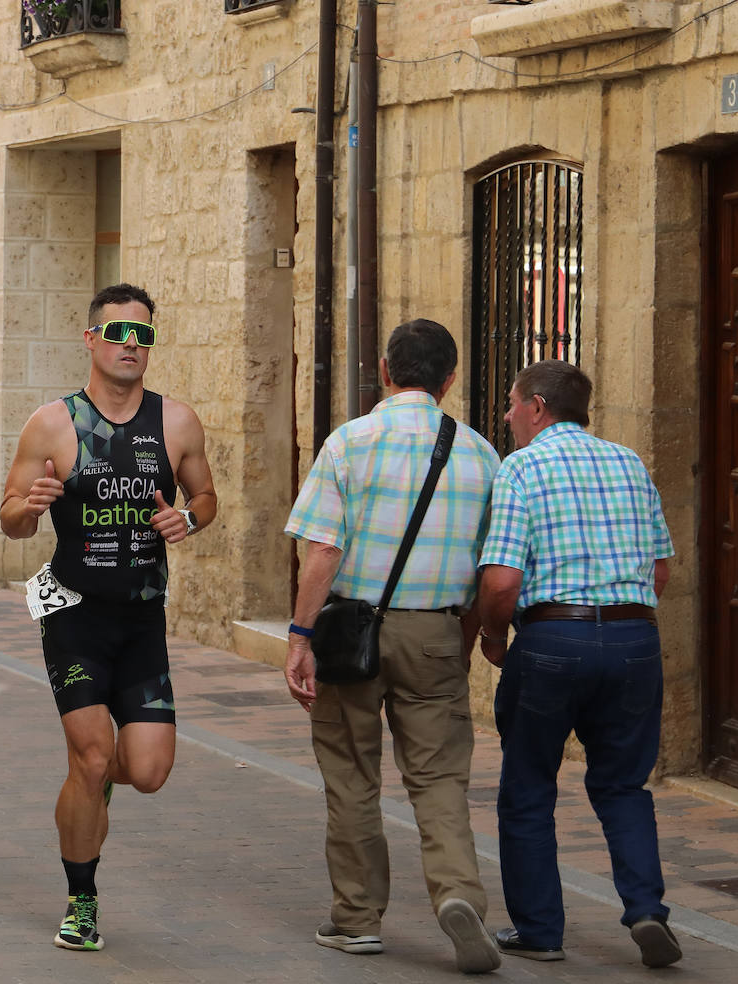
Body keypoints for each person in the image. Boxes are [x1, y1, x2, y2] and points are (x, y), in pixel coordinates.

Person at [0, 282, 217, 951]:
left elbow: (206, 495)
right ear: (91, 341)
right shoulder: (52, 424)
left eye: (142, 335)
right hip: (71, 610)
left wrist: (187, 517)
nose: (131, 345)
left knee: (146, 772)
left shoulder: (176, 422)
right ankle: (82, 899)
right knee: (93, 759)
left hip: (143, 617)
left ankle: (90, 792)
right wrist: (30, 508)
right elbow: (9, 519)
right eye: (118, 333)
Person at [283, 318, 503, 975]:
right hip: (437, 628)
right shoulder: (479, 454)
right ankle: (459, 895)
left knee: (351, 773)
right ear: (450, 379)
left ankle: (355, 921)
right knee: (438, 778)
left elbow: (323, 549)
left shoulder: (350, 443)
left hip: (351, 629)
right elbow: (490, 569)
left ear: (384, 369)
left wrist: (299, 635)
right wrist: (460, 641)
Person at [476, 359, 682, 969]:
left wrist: (492, 638)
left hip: (550, 641)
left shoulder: (521, 469)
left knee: (529, 786)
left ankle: (540, 931)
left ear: (538, 406)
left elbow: (502, 580)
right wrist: (620, 616)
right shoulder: (629, 463)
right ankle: (646, 910)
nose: (509, 416)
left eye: (513, 404)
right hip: (633, 638)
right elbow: (661, 570)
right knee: (623, 785)